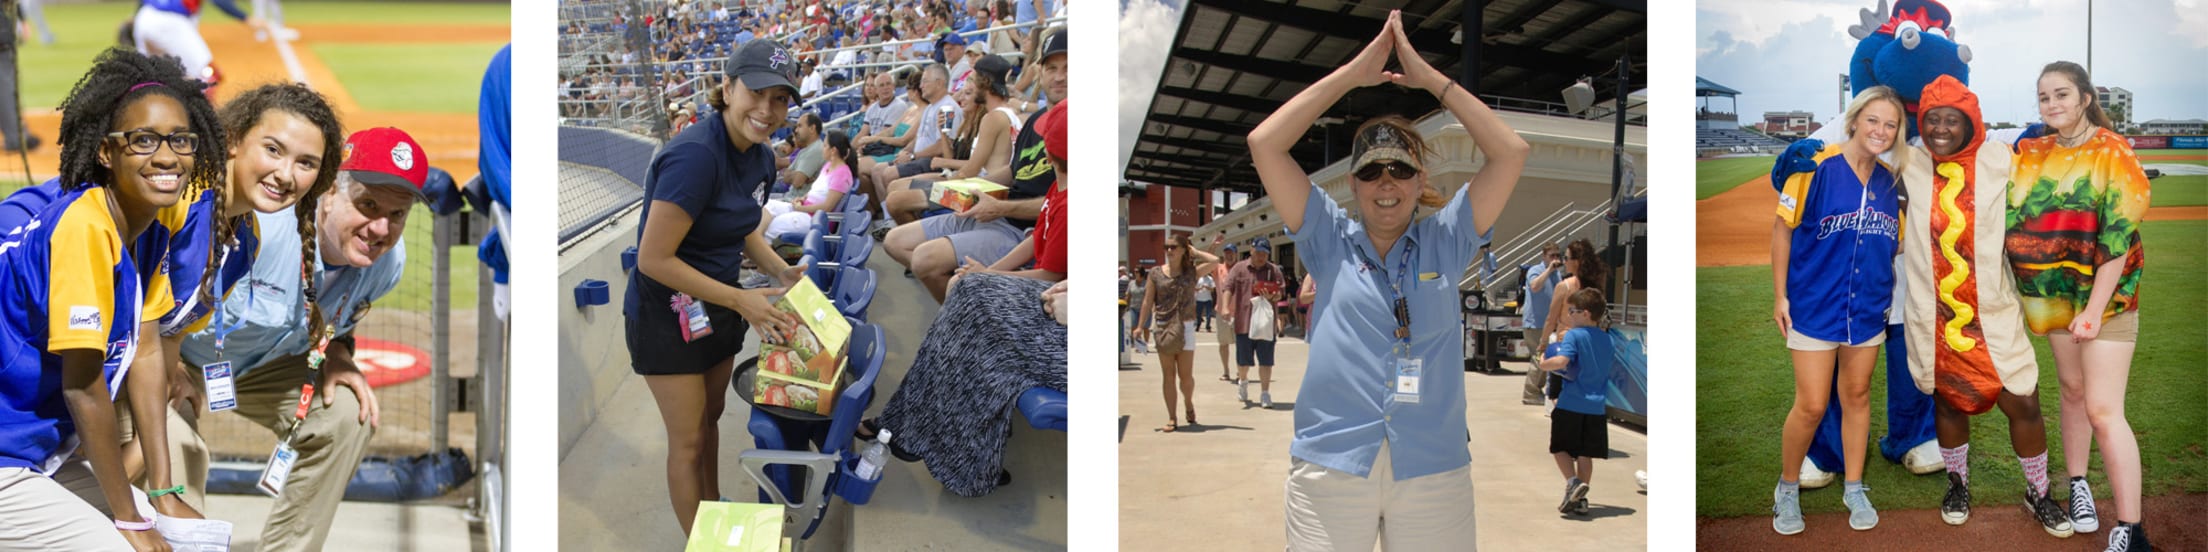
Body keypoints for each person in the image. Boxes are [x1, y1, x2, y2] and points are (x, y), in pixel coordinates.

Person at [1247, 12, 1529, 549]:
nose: (1386, 183)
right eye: (1372, 171)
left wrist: (1433, 81)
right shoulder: (1327, 236)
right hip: (1332, 464)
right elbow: (1265, 143)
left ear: (1420, 180)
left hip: (1432, 467)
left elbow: (1510, 152)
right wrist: (1352, 75)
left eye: (1400, 170)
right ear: (1352, 183)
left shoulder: (1447, 240)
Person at [0, 48, 221, 551]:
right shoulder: (84, 226)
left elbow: (145, 348)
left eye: (180, 140)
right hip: (6, 457)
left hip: (34, 456)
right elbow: (83, 388)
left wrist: (158, 495)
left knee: (184, 538)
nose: (166, 156)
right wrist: (130, 520)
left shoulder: (151, 227)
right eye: (143, 140)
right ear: (106, 152)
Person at [622, 38, 807, 537]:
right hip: (669, 314)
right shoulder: (695, 157)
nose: (767, 110)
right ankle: (702, 539)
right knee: (687, 443)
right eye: (756, 93)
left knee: (711, 419)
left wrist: (777, 271)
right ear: (726, 88)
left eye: (781, 99)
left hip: (722, 304)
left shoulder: (762, 157)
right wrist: (742, 299)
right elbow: (653, 259)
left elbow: (743, 223)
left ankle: (713, 509)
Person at [867, 99, 1068, 497]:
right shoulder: (1057, 189)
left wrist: (988, 279)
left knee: (970, 304)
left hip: (1050, 307)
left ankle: (921, 435)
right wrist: (989, 273)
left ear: (1049, 152)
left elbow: (1052, 273)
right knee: (968, 299)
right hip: (1044, 298)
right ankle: (915, 429)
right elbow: (1034, 241)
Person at [2007, 61, 2153, 552]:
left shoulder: (2113, 151)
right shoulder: (2031, 151)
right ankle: (2079, 487)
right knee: (2070, 391)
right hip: (2054, 298)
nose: (2052, 105)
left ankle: (2132, 531)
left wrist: (2093, 309)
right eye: (2044, 97)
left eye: (2062, 95)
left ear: (2086, 97)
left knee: (2104, 409)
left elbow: (2116, 235)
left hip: (2106, 301)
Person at [1769, 85, 1907, 536]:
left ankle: (1854, 485)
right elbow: (1782, 231)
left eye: (1890, 124)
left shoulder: (1891, 183)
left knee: (1858, 397)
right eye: (1873, 120)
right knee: (1810, 405)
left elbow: (1897, 243)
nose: (1880, 131)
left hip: (1866, 310)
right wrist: (1780, 296)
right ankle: (1787, 487)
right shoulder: (1814, 168)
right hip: (1813, 305)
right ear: (1854, 121)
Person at [882, 54, 1030, 302]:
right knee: (899, 197)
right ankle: (939, 269)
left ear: (985, 82)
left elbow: (970, 172)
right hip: (981, 191)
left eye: (972, 80)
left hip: (976, 195)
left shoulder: (993, 117)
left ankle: (944, 277)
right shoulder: (1011, 114)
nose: (966, 88)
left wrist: (942, 184)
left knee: (898, 201)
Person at [1539, 288, 1616, 517]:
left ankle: (1572, 483)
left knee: (1559, 448)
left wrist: (1543, 363)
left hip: (1571, 403)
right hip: (1596, 407)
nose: (1569, 315)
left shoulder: (1574, 335)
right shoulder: (1608, 339)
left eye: (1572, 311)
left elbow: (1562, 361)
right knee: (1585, 454)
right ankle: (1581, 500)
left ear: (1585, 313)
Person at [1135, 233, 1222, 432]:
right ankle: (1172, 417)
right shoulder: (1156, 273)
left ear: (1184, 250)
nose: (1169, 251)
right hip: (1164, 326)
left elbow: (1215, 261)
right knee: (1168, 374)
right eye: (1167, 247)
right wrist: (1140, 326)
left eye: (1174, 247)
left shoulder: (1191, 273)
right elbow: (1148, 301)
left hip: (1187, 326)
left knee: (1186, 377)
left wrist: (1196, 252)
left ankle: (1188, 403)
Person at [132, 0, 259, 82]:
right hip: (170, 22)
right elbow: (220, 1)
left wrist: (136, 19)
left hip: (144, 18)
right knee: (209, 75)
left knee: (148, 74)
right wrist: (246, 18)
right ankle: (199, 119)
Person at [1224, 239, 1284, 407]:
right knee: (1243, 361)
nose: (1261, 257)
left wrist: (1273, 296)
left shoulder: (1274, 270)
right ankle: (1243, 382)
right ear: (1251, 251)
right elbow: (1228, 288)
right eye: (1258, 252)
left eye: (1264, 253)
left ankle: (1265, 393)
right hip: (1244, 322)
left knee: (1266, 360)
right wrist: (1225, 308)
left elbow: (1280, 293)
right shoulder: (1239, 268)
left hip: (1265, 324)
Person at [764, 130, 857, 237]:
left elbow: (827, 207)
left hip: (815, 219)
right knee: (766, 205)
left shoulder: (841, 174)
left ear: (833, 150)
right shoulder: (828, 166)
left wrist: (800, 208)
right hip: (805, 209)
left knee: (772, 227)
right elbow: (816, 192)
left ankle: (759, 251)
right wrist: (802, 199)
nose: (822, 148)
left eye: (825, 146)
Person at [1519, 243, 1563, 405]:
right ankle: (1530, 393)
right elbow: (1535, 286)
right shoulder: (1536, 271)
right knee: (1538, 358)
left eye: (1557, 255)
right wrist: (1549, 270)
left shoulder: (1557, 274)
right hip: (1535, 323)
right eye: (1552, 255)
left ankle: (1537, 389)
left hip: (1549, 324)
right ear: (1544, 256)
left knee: (1546, 358)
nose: (1555, 259)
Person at [1212, 242, 1237, 382]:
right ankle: (1226, 371)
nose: (1229, 255)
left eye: (1231, 252)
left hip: (1239, 313)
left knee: (1241, 343)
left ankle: (1241, 372)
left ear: (1236, 254)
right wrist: (1213, 246)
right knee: (1223, 343)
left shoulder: (1241, 268)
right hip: (1222, 312)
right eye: (1226, 253)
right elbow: (1207, 260)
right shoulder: (1219, 269)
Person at [1194, 268, 1216, 333]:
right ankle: (1198, 325)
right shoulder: (1199, 279)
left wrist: (1207, 287)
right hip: (1199, 299)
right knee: (1198, 314)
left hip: (1208, 299)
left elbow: (1212, 289)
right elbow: (1195, 288)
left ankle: (1208, 327)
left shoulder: (1210, 279)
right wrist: (1200, 288)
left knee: (1208, 314)